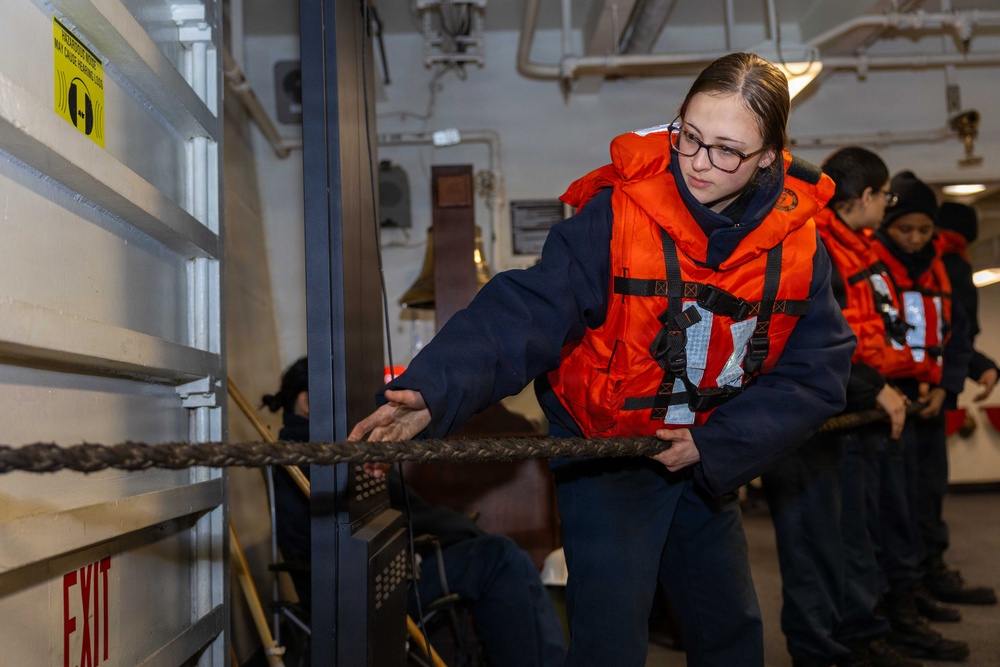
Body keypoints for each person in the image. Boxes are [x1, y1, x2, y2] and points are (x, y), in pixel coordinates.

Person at [350, 52, 855, 667]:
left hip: (706, 452)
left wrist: (716, 445)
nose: (698, 161)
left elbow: (818, 374)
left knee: (731, 631)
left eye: (727, 150)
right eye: (689, 136)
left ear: (769, 158)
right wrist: (431, 391)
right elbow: (531, 309)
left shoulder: (802, 248)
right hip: (606, 451)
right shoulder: (616, 215)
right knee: (609, 641)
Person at [262, 357, 568, 667]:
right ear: (309, 402)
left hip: (388, 567)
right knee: (499, 557)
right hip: (371, 586)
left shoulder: (312, 449)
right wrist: (455, 527)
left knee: (498, 554)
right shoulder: (311, 455)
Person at [762, 146, 921, 667]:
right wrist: (873, 386)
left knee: (845, 537)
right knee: (812, 545)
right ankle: (821, 650)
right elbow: (812, 338)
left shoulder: (841, 244)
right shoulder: (805, 240)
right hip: (797, 415)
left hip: (836, 410)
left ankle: (854, 634)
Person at [869, 172, 972, 662]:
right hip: (886, 399)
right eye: (904, 229)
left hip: (928, 397)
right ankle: (897, 605)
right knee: (895, 510)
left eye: (923, 231)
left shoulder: (941, 269)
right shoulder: (871, 265)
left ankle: (917, 589)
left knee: (925, 498)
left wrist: (947, 386)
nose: (913, 239)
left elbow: (956, 329)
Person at [918, 202, 999, 605]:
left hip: (917, 387)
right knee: (923, 492)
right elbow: (957, 330)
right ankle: (925, 579)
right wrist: (968, 368)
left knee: (909, 496)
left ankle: (914, 582)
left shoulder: (922, 261)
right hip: (928, 392)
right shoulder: (950, 263)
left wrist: (979, 364)